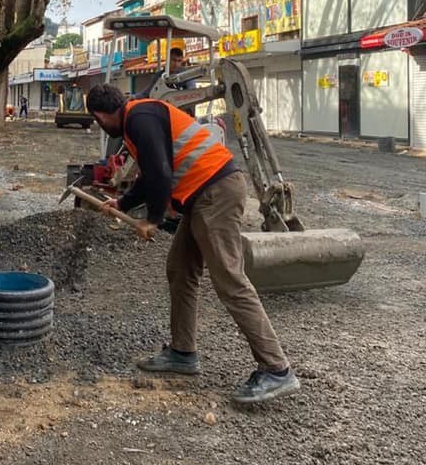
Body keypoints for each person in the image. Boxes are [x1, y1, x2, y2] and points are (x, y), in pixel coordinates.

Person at [86, 83, 299, 405]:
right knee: (181, 269)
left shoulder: (139, 118)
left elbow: (160, 171)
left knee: (230, 280)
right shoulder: (139, 118)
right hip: (202, 195)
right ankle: (183, 352)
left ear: (101, 114)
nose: (99, 124)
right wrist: (125, 204)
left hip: (216, 193)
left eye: (97, 119)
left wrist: (153, 219)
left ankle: (276, 369)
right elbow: (149, 174)